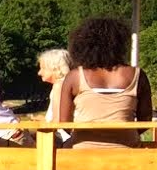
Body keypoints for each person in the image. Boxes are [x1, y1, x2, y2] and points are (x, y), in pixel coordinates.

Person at [50, 17, 153, 149]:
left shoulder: (74, 76)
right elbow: (145, 120)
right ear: (120, 45)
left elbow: (64, 124)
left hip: (82, 149)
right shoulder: (137, 75)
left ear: (83, 45)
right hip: (127, 148)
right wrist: (120, 136)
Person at [37, 47, 71, 120]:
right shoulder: (68, 83)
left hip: (59, 131)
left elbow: (58, 121)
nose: (39, 73)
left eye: (42, 68)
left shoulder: (60, 86)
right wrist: (45, 120)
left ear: (55, 68)